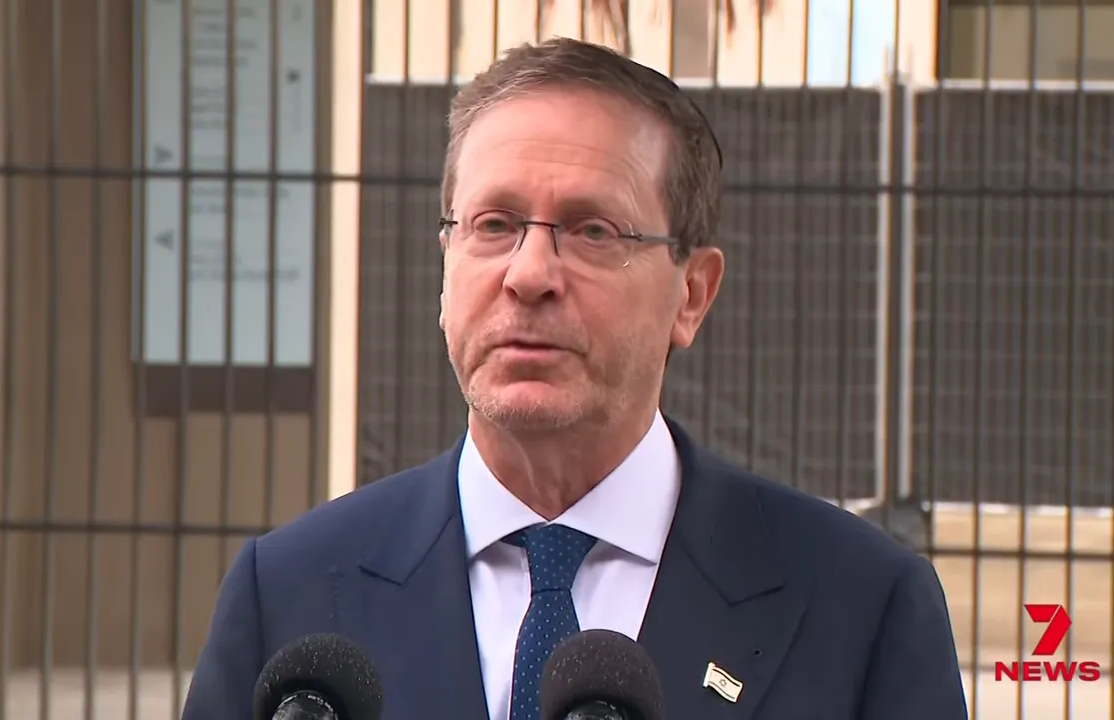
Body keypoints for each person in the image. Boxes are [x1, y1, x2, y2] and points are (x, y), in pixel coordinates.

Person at [181, 38, 967, 720]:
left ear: (691, 295)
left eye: (592, 231)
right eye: (494, 225)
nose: (529, 274)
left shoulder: (861, 605)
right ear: (445, 268)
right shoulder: (285, 592)